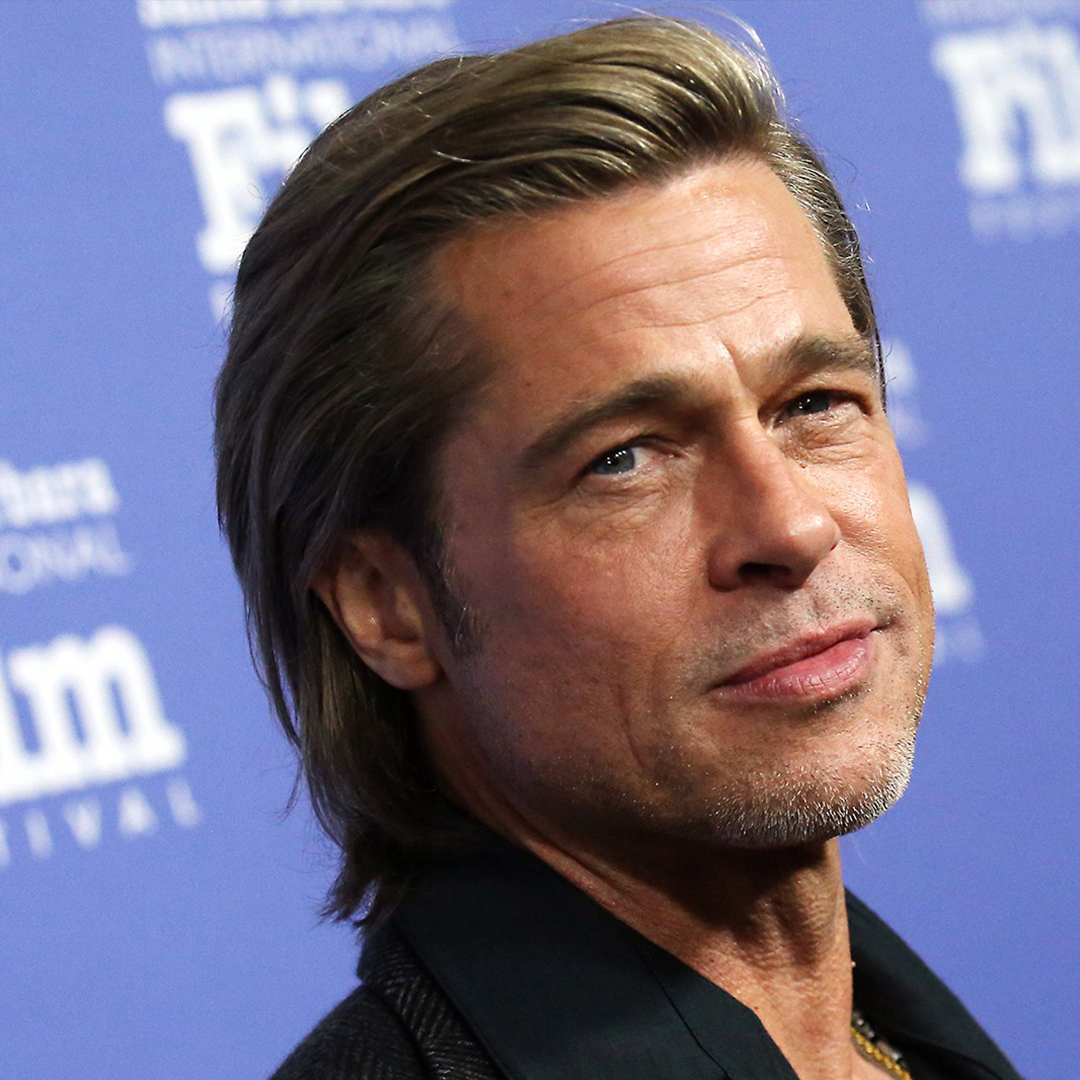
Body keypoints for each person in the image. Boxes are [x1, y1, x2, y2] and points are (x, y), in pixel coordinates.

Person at [215, 15, 1023, 1080]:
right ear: (385, 603)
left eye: (814, 402)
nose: (790, 526)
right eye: (625, 459)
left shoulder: (900, 1036)